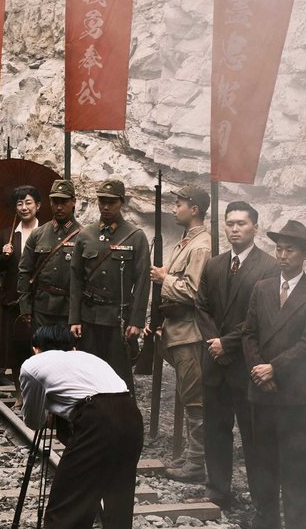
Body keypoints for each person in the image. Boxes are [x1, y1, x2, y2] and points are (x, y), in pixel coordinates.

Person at [3, 324, 143, 529]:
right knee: (118, 504)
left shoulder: (33, 364)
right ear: (70, 346)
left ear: (36, 347)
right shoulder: (92, 359)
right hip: (130, 416)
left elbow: (33, 420)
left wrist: (53, 407)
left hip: (95, 421)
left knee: (65, 513)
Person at [242, 220, 306, 529]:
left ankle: (297, 527)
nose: (282, 256)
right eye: (278, 249)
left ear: (305, 254)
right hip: (261, 389)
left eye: (289, 250)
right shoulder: (262, 288)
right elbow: (249, 333)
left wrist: (273, 369)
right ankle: (265, 518)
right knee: (261, 456)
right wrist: (257, 370)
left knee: (296, 459)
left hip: (293, 391)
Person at [195, 201, 278, 510]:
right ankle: (217, 491)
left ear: (255, 227)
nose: (234, 229)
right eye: (230, 223)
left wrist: (226, 344)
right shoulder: (214, 264)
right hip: (214, 363)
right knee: (216, 430)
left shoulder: (268, 267)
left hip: (245, 364)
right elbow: (201, 306)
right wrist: (212, 341)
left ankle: (260, 501)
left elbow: (259, 318)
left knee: (252, 433)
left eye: (241, 223)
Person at [152, 184, 213, 482]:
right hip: (178, 329)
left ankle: (197, 464)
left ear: (195, 209)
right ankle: (193, 456)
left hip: (190, 334)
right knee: (189, 397)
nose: (175, 208)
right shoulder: (186, 242)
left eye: (179, 203)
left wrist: (164, 278)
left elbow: (193, 291)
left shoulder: (200, 246)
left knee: (195, 400)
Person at [68, 179, 150, 389]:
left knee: (119, 376)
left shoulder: (135, 236)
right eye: (102, 201)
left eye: (111, 202)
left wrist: (136, 320)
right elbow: (76, 278)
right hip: (89, 316)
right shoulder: (86, 235)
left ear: (121, 202)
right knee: (87, 373)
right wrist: (74, 318)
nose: (105, 206)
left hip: (117, 319)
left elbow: (142, 281)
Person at [0, 186, 42, 387]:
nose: (24, 207)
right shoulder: (9, 234)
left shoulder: (46, 232)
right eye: (19, 203)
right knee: (14, 346)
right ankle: (18, 391)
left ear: (38, 205)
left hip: (38, 299)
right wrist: (3, 255)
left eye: (28, 202)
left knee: (36, 344)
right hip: (13, 298)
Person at [18, 179, 81, 333]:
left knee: (66, 355)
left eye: (64, 202)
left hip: (68, 310)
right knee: (40, 353)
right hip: (41, 307)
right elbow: (24, 272)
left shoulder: (84, 236)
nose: (59, 207)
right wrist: (25, 308)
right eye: (55, 202)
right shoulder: (38, 234)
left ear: (73, 201)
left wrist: (77, 316)